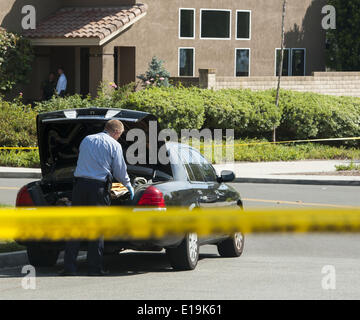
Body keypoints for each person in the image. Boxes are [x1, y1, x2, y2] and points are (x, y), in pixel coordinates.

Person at [59, 120, 134, 277]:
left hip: (79, 187)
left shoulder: (87, 139)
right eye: (119, 135)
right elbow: (120, 171)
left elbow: (82, 160)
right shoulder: (114, 145)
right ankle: (94, 268)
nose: (118, 138)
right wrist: (128, 186)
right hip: (98, 189)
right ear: (116, 132)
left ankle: (69, 268)